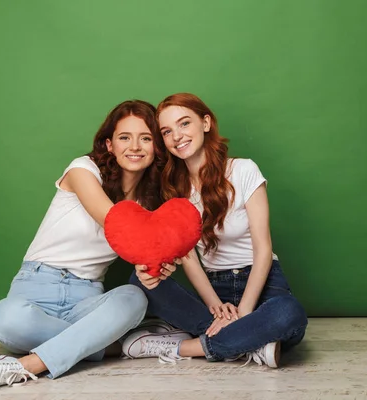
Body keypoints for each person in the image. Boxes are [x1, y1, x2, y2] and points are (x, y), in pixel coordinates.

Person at [0, 100, 170, 391]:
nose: (135, 146)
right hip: (36, 286)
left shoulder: (150, 202)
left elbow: (154, 246)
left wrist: (158, 262)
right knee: (4, 319)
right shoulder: (83, 169)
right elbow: (115, 222)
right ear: (109, 145)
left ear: (156, 147)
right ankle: (115, 345)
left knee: (134, 298)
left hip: (87, 295)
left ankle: (27, 366)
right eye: (124, 137)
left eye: (146, 138)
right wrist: (148, 246)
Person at [123, 93, 308, 368]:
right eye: (167, 131)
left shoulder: (244, 170)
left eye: (185, 124)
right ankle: (249, 344)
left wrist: (244, 312)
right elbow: (188, 257)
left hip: (263, 282)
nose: (177, 136)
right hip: (214, 289)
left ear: (206, 123)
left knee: (288, 313)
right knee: (139, 282)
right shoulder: (173, 190)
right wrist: (214, 306)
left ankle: (187, 347)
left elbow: (263, 249)